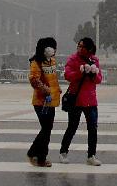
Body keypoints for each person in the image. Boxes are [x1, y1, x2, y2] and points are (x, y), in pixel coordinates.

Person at [59, 37, 103, 166]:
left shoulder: (95, 60)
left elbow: (99, 79)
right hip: (76, 98)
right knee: (72, 127)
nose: (79, 48)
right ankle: (63, 152)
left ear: (88, 48)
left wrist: (93, 74)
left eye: (81, 46)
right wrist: (81, 72)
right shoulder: (73, 59)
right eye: (78, 45)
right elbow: (67, 75)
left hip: (90, 99)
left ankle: (91, 155)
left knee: (93, 128)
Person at [27, 37, 60, 168]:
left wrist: (56, 89)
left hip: (51, 100)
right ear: (44, 49)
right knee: (46, 129)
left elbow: (52, 79)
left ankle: (37, 156)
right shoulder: (36, 62)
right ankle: (37, 156)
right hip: (41, 102)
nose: (53, 50)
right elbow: (34, 80)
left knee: (47, 129)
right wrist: (46, 90)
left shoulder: (52, 61)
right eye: (51, 47)